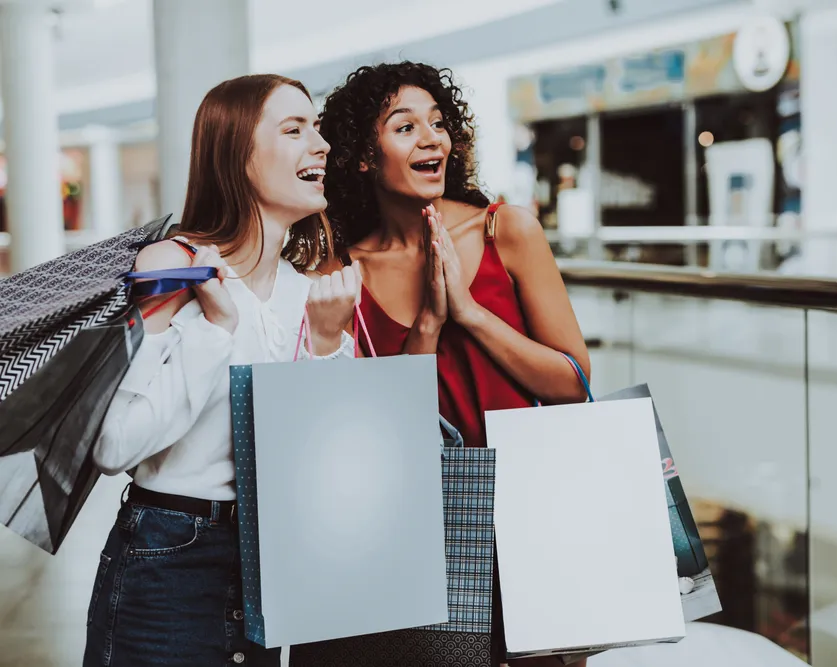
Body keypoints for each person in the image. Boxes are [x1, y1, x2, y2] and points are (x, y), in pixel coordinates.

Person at [317, 61, 590, 667]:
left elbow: (574, 382)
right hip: (425, 525)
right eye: (405, 127)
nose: (431, 139)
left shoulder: (505, 230)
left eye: (438, 124)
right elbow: (380, 429)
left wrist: (470, 315)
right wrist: (428, 326)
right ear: (363, 156)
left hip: (530, 509)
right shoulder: (342, 272)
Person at [84, 74, 359, 667]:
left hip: (270, 563)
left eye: (316, 127)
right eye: (294, 129)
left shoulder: (310, 294)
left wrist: (330, 339)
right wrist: (215, 329)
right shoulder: (172, 266)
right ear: (237, 154)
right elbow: (112, 445)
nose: (322, 144)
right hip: (168, 557)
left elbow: (325, 461)